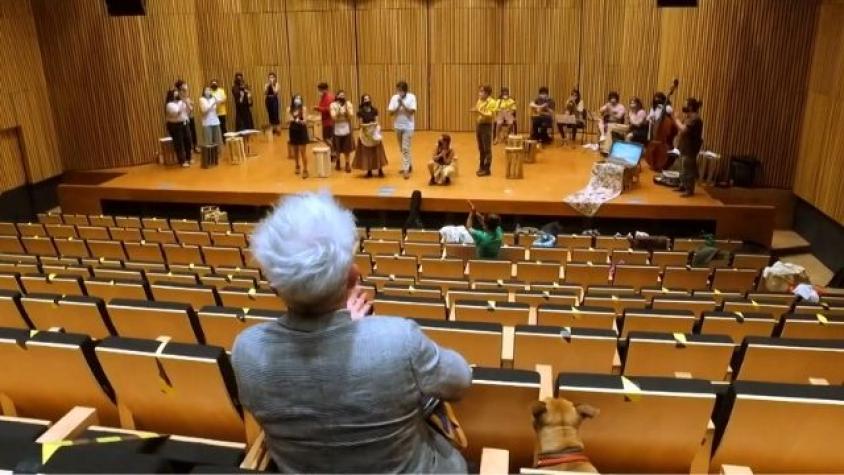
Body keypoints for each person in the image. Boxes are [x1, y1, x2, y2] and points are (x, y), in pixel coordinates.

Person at [232, 191, 472, 473]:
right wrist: (363, 331)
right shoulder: (399, 340)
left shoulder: (246, 351)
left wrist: (348, 330)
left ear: (274, 286)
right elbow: (460, 380)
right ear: (352, 275)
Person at [387, 80, 417, 179]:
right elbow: (391, 113)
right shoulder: (394, 98)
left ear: (405, 90)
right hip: (398, 126)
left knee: (405, 148)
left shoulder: (412, 97)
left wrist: (403, 104)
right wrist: (398, 105)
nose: (399, 92)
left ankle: (406, 170)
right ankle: (409, 164)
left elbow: (412, 112)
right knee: (402, 148)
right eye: (398, 90)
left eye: (401, 90)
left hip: (408, 127)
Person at [674, 97, 704, 197]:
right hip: (684, 147)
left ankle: (689, 190)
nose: (683, 106)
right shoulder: (688, 117)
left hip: (690, 148)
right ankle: (683, 185)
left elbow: (684, 129)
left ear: (690, 107)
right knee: (682, 168)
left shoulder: (695, 118)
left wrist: (676, 119)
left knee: (688, 169)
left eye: (685, 104)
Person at [352, 94, 387, 178]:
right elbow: (360, 124)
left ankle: (380, 170)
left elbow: (377, 121)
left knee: (377, 152)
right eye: (365, 99)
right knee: (366, 153)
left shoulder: (374, 110)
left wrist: (374, 126)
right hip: (365, 134)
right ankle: (369, 171)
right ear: (363, 101)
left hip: (374, 133)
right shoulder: (360, 112)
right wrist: (366, 127)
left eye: (368, 99)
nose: (367, 101)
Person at [472, 85, 496, 176]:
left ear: (487, 93)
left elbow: (490, 115)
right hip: (479, 125)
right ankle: (481, 166)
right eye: (480, 91)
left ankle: (487, 169)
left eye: (482, 91)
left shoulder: (492, 102)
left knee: (487, 149)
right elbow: (478, 111)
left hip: (486, 126)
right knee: (481, 148)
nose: (480, 93)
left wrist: (478, 112)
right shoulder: (479, 100)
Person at [164, 89, 192, 168]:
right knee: (179, 143)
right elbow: (177, 113)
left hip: (184, 123)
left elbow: (189, 112)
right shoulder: (169, 105)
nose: (177, 95)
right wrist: (182, 103)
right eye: (175, 94)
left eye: (177, 93)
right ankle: (182, 161)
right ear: (171, 95)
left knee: (188, 140)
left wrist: (187, 104)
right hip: (175, 125)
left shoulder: (181, 102)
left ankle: (188, 158)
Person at [330, 90, 354, 173]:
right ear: (337, 97)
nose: (342, 97)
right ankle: (338, 162)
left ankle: (347, 163)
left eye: (343, 95)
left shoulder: (348, 104)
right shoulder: (333, 105)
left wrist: (346, 111)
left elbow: (351, 115)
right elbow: (333, 117)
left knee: (347, 148)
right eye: (340, 95)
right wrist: (338, 111)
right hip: (337, 127)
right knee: (337, 147)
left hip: (346, 127)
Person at [288, 94, 310, 178]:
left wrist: (298, 119)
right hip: (293, 130)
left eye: (299, 98)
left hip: (302, 130)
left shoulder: (303, 109)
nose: (297, 100)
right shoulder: (289, 109)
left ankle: (305, 170)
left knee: (302, 151)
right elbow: (288, 120)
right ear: (293, 100)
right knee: (295, 151)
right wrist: (294, 118)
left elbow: (305, 121)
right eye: (296, 98)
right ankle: (297, 165)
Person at [175, 80, 200, 154]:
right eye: (184, 85)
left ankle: (195, 146)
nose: (185, 86)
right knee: (186, 135)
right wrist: (187, 103)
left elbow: (190, 104)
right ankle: (189, 149)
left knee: (193, 132)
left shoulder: (185, 94)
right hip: (183, 118)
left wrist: (189, 102)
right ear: (180, 87)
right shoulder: (177, 95)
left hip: (190, 116)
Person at [314, 82, 335, 157]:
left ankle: (334, 152)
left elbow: (328, 109)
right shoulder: (324, 97)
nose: (319, 92)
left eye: (320, 90)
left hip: (329, 122)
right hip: (325, 121)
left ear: (324, 89)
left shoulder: (329, 97)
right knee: (328, 138)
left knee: (326, 138)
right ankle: (333, 152)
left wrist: (318, 108)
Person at [199, 85, 223, 149]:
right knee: (208, 141)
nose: (208, 91)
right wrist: (213, 103)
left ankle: (219, 154)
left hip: (215, 121)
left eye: (209, 90)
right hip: (207, 122)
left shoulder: (213, 98)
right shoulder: (202, 99)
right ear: (203, 92)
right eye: (206, 90)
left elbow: (217, 106)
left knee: (218, 140)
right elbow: (204, 110)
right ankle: (210, 156)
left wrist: (217, 102)